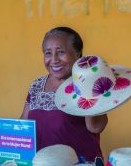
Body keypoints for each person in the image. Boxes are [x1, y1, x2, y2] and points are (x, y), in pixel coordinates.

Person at [21, 27, 108, 162]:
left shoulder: (89, 82)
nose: (54, 60)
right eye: (48, 53)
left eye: (61, 52)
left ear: (78, 54)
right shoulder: (36, 86)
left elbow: (96, 127)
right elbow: (22, 127)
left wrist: (88, 89)